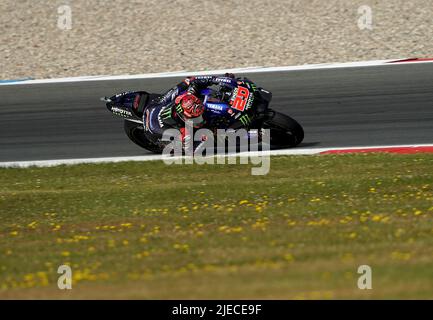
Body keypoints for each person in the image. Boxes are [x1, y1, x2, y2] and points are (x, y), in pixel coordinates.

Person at [140, 73, 244, 147]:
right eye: (196, 119)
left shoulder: (189, 95)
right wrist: (206, 138)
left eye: (199, 117)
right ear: (184, 118)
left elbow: (194, 80)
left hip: (158, 106)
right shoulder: (184, 132)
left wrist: (219, 80)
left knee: (187, 83)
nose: (200, 120)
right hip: (153, 128)